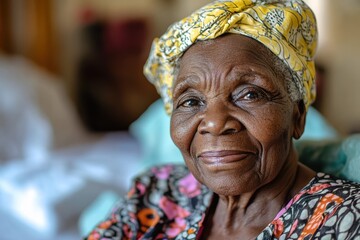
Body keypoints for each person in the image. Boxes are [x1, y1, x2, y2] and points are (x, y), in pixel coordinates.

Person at [86, 0, 360, 239]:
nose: (215, 123)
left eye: (250, 94)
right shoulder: (156, 194)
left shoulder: (345, 221)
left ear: (298, 116)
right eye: (191, 102)